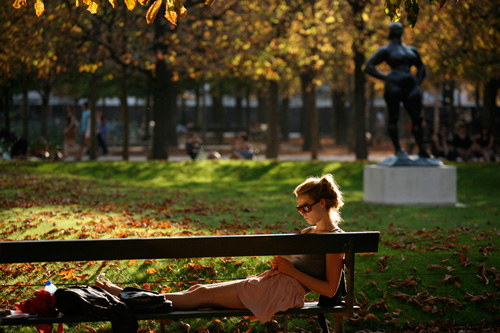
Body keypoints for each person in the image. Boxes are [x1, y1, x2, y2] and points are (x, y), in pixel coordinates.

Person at [96, 174, 345, 324]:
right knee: (198, 290)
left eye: (306, 207)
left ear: (322, 203)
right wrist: (283, 265)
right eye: (299, 208)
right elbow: (291, 267)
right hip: (272, 285)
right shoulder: (307, 233)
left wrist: (291, 270)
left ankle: (123, 295)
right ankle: (128, 295)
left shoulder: (334, 239)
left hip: (281, 293)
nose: (302, 213)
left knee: (201, 294)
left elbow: (330, 289)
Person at [364, 22, 430, 158]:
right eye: (395, 29)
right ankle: (398, 149)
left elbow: (421, 66)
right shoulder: (386, 50)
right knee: (394, 117)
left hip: (411, 86)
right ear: (391, 32)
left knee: (417, 118)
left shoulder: (410, 50)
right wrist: (386, 78)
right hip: (394, 86)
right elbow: (369, 66)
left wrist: (418, 82)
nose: (398, 30)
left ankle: (422, 149)